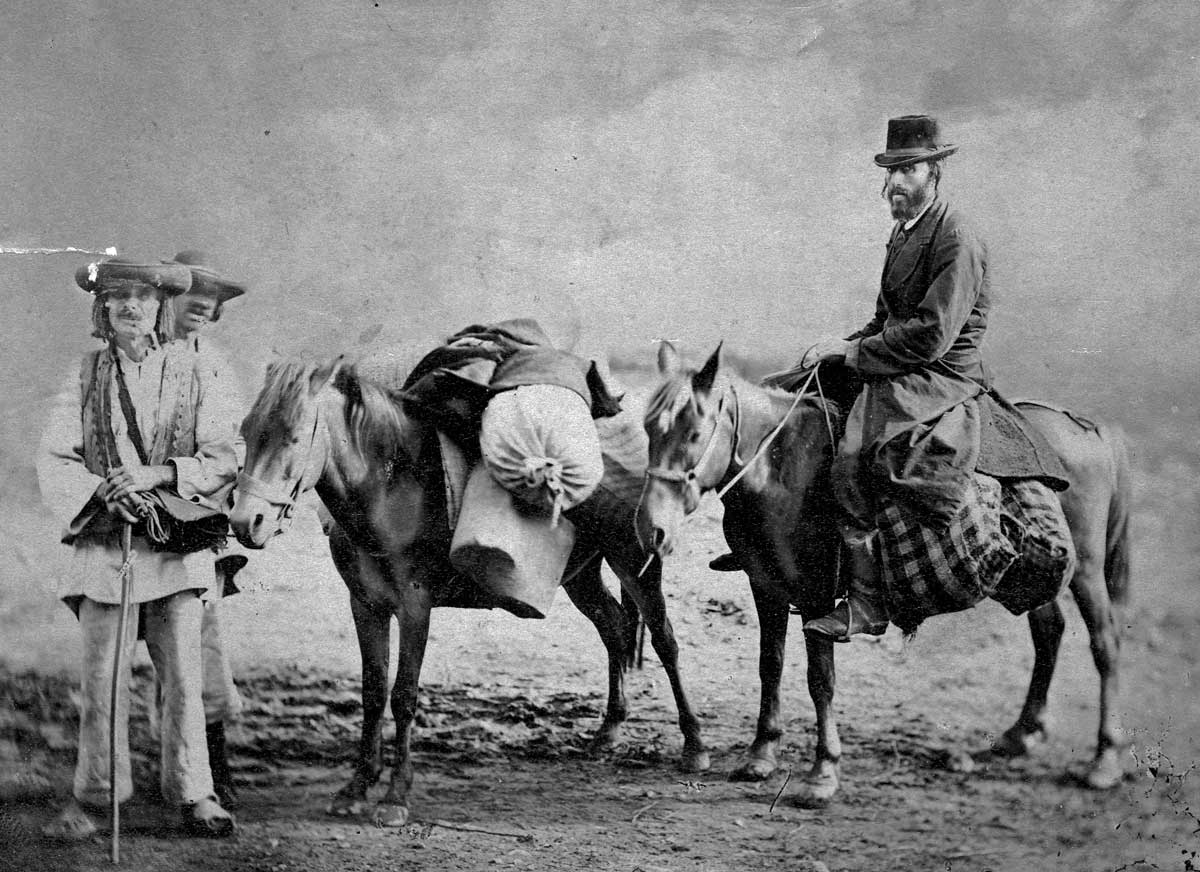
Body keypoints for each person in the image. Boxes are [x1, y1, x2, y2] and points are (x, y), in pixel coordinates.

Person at [37, 257, 242, 838]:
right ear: (101, 310)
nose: (129, 306)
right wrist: (104, 494)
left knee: (183, 676)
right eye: (116, 297)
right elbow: (55, 456)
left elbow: (225, 454)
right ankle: (95, 797)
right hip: (107, 548)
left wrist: (159, 476)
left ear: (160, 307)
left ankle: (193, 793)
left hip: (175, 550)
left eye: (141, 297)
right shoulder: (82, 374)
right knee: (102, 677)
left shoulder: (196, 372)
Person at [799, 115, 993, 641]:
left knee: (851, 458)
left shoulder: (956, 236)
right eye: (890, 171)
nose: (895, 184)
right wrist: (836, 349)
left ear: (935, 171)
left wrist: (855, 352)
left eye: (908, 170)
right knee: (799, 393)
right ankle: (781, 539)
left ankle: (867, 605)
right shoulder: (904, 231)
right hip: (902, 357)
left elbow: (931, 335)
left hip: (939, 373)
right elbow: (886, 321)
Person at [168, 250, 248, 810]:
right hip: (131, 519)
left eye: (213, 297)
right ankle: (104, 779)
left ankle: (209, 773)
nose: (203, 302)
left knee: (200, 650)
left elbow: (229, 451)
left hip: (193, 521)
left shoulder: (215, 365)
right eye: (192, 290)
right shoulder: (125, 361)